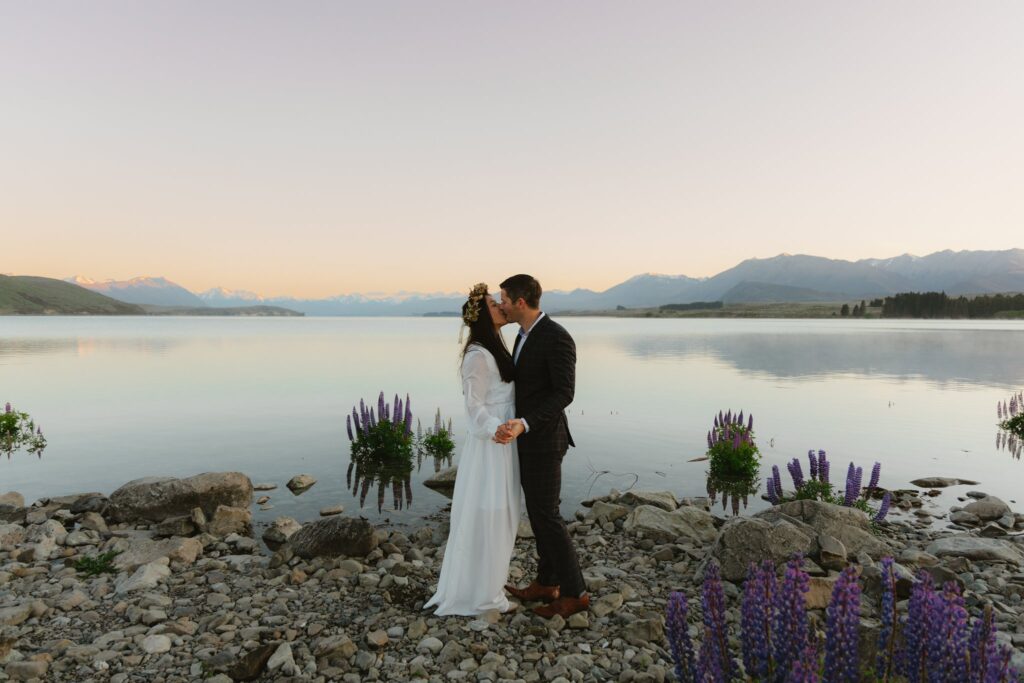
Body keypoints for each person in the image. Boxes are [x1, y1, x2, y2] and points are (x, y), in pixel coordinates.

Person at [424, 283, 521, 616]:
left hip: (506, 443)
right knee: (489, 517)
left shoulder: (498, 347)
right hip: (491, 447)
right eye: (496, 305)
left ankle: (489, 585)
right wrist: (496, 428)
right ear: (484, 317)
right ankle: (479, 595)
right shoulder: (478, 355)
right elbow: (473, 407)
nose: (502, 308)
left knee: (503, 515)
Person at [497, 274, 589, 618]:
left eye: (504, 299)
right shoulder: (522, 335)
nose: (501, 304)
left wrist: (525, 422)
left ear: (520, 302)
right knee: (539, 514)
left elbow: (564, 392)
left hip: (546, 440)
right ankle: (546, 583)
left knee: (547, 516)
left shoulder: (556, 337)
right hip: (526, 439)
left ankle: (575, 592)